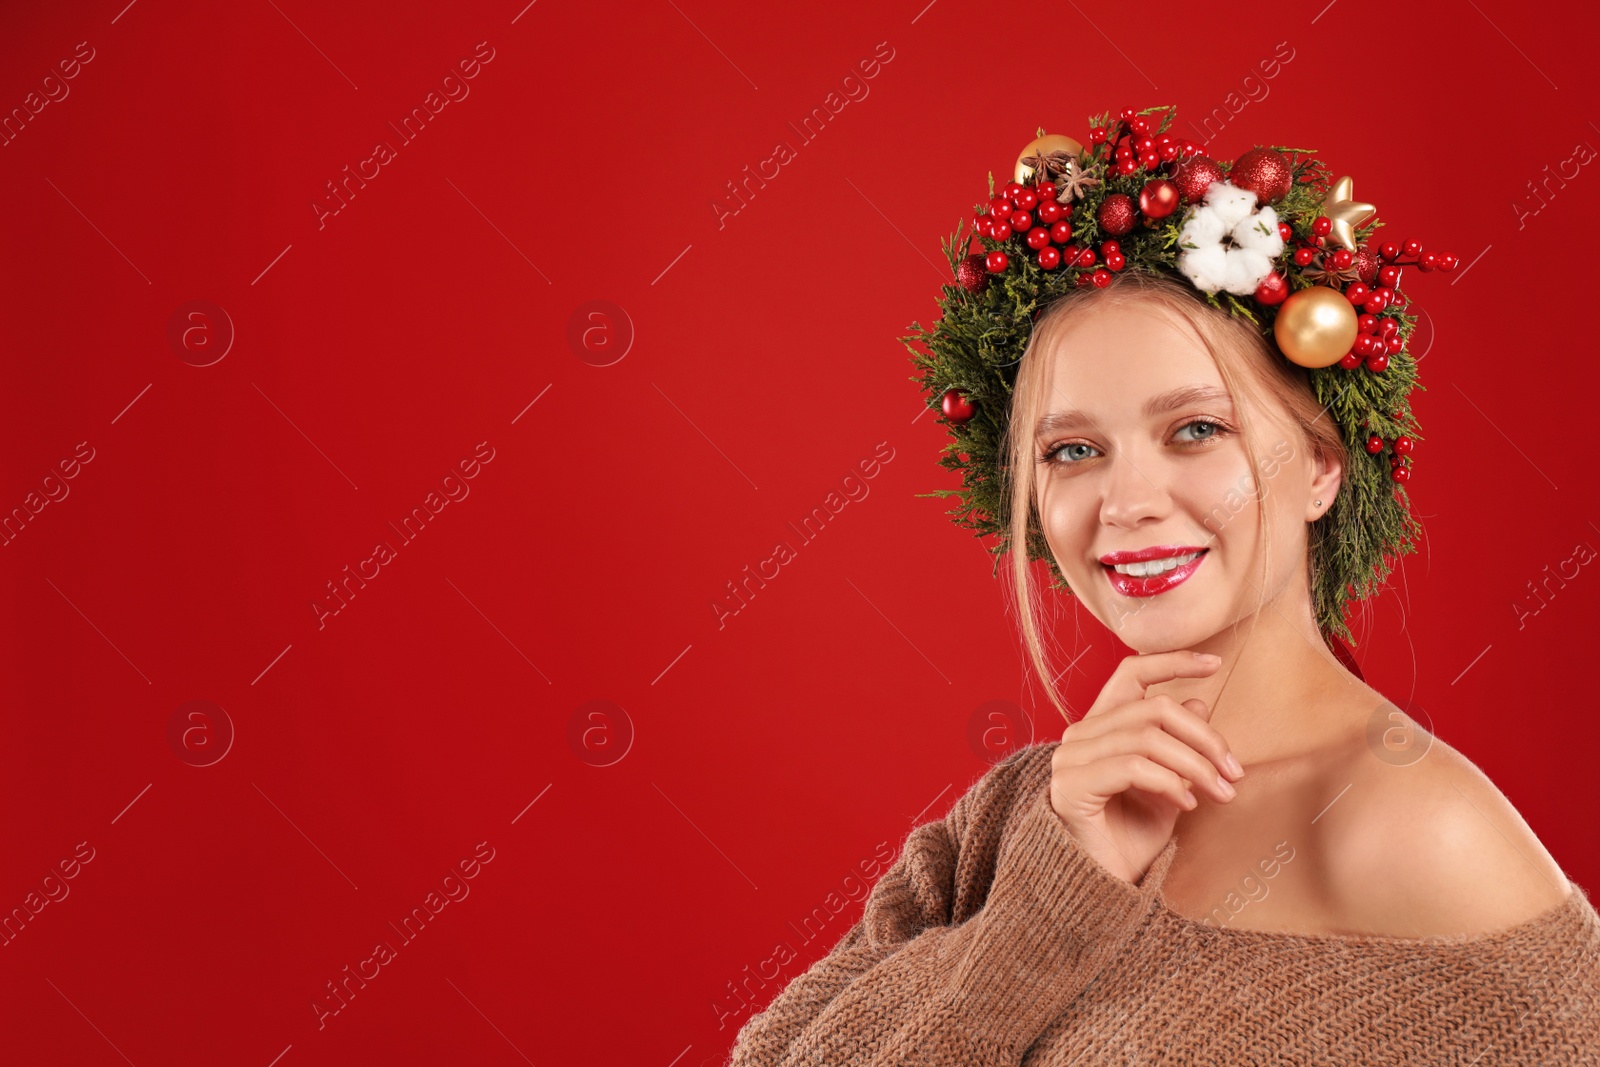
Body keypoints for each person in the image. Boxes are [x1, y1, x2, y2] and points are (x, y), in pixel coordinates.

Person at [724, 106, 1600, 1065]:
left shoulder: (1417, 829)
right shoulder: (1029, 811)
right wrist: (1061, 888)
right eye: (1072, 450)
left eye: (1195, 430)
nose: (1126, 501)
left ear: (1320, 467)